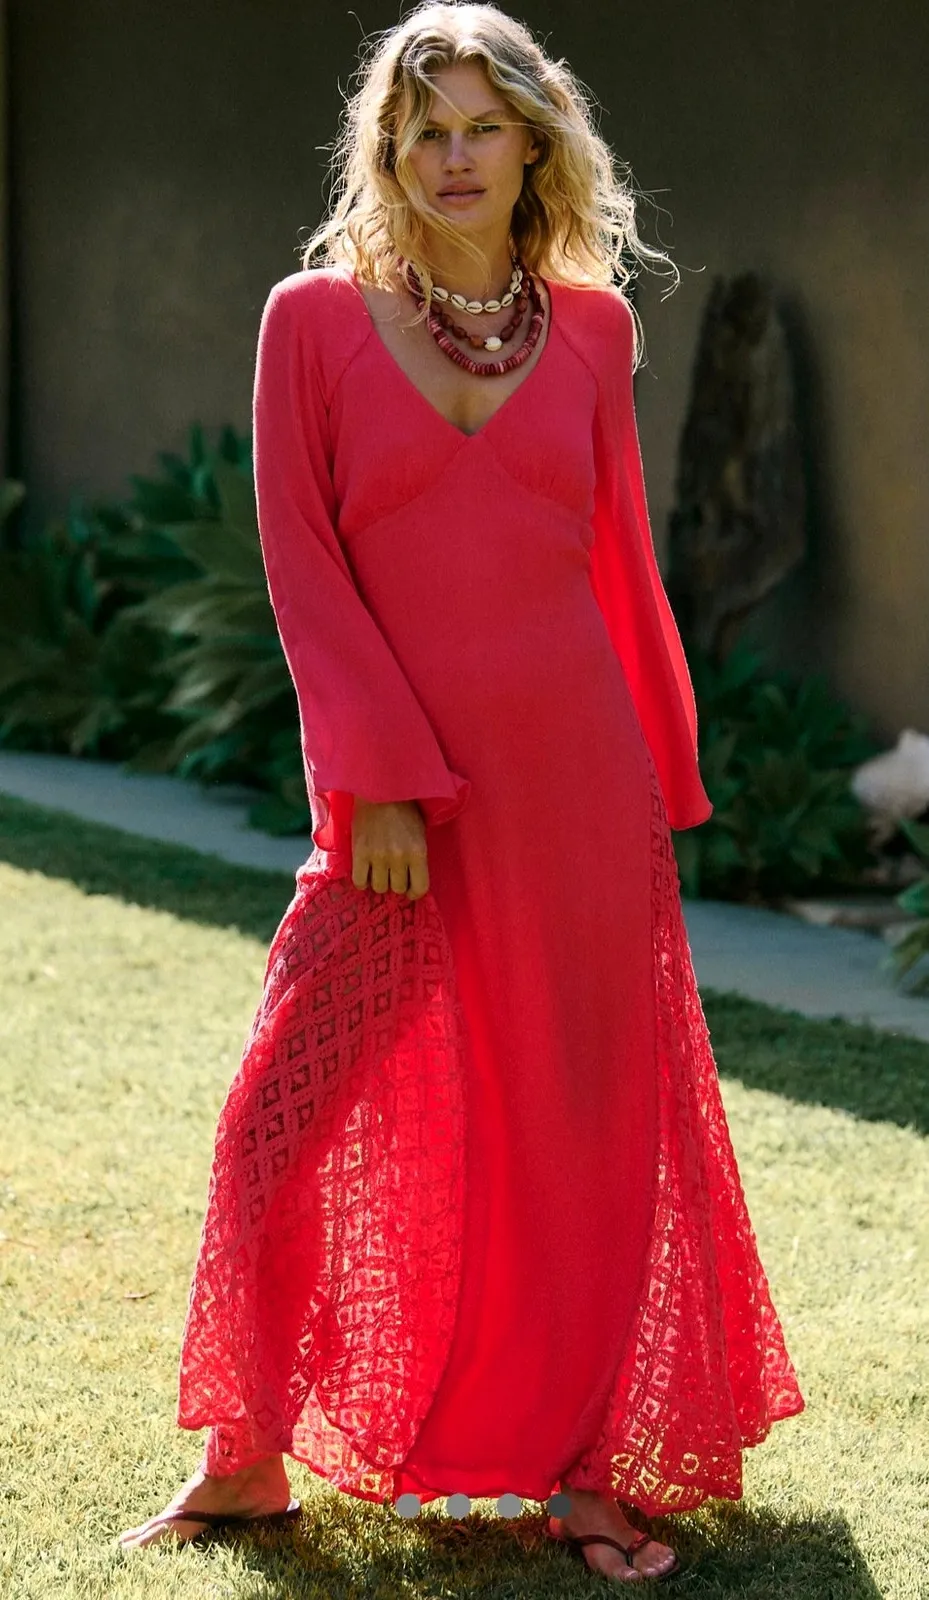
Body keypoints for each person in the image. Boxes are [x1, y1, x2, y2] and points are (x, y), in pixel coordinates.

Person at [119, 2, 804, 1583]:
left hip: (577, 792)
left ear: (534, 143)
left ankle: (579, 1473)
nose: (452, 157)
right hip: (400, 804)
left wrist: (664, 782)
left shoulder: (598, 333)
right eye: (423, 130)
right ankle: (245, 1457)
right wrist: (374, 780)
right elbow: (303, 565)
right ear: (386, 150)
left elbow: (617, 559)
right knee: (277, 1119)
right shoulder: (311, 322)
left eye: (482, 125)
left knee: (579, 1141)